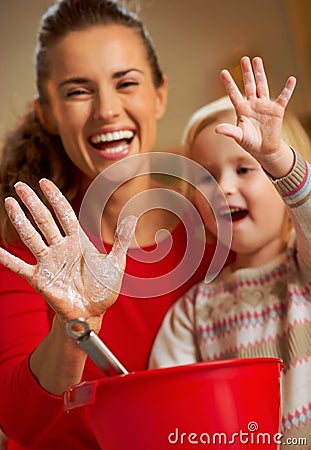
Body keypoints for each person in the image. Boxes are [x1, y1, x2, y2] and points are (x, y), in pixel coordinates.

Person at [0, 1, 225, 449]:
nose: (107, 110)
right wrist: (75, 327)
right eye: (77, 91)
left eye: (126, 83)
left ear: (159, 94)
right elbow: (19, 424)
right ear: (46, 112)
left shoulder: (219, 232)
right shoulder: (30, 256)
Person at [149, 56, 311, 445]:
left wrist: (277, 160)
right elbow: (173, 409)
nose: (224, 187)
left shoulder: (301, 266)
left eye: (245, 168)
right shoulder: (194, 310)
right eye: (207, 177)